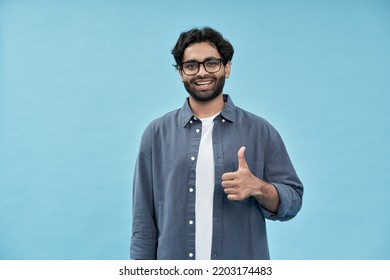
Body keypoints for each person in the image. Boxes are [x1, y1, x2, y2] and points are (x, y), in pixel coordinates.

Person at [130, 27, 303, 260]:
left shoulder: (260, 131)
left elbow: (293, 202)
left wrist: (258, 188)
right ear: (181, 72)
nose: (202, 72)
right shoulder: (156, 134)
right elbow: (143, 218)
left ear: (227, 68)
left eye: (211, 63)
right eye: (191, 65)